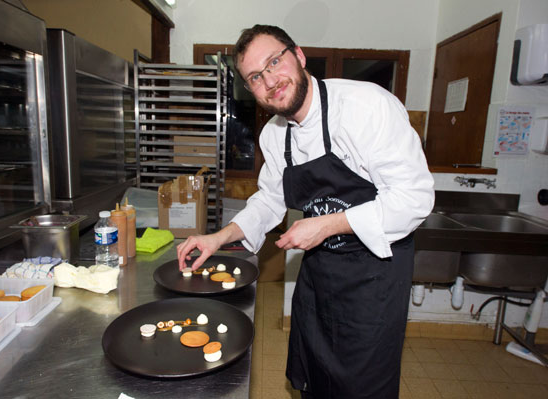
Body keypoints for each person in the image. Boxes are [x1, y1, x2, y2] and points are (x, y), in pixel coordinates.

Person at [177, 24, 434, 398]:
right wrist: (219, 236)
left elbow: (415, 198)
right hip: (319, 278)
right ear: (250, 90)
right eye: (255, 77)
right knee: (314, 379)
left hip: (374, 280)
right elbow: (269, 200)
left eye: (274, 62)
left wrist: (330, 225)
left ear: (298, 55)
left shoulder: (365, 107)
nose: (270, 80)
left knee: (362, 388)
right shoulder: (274, 134)